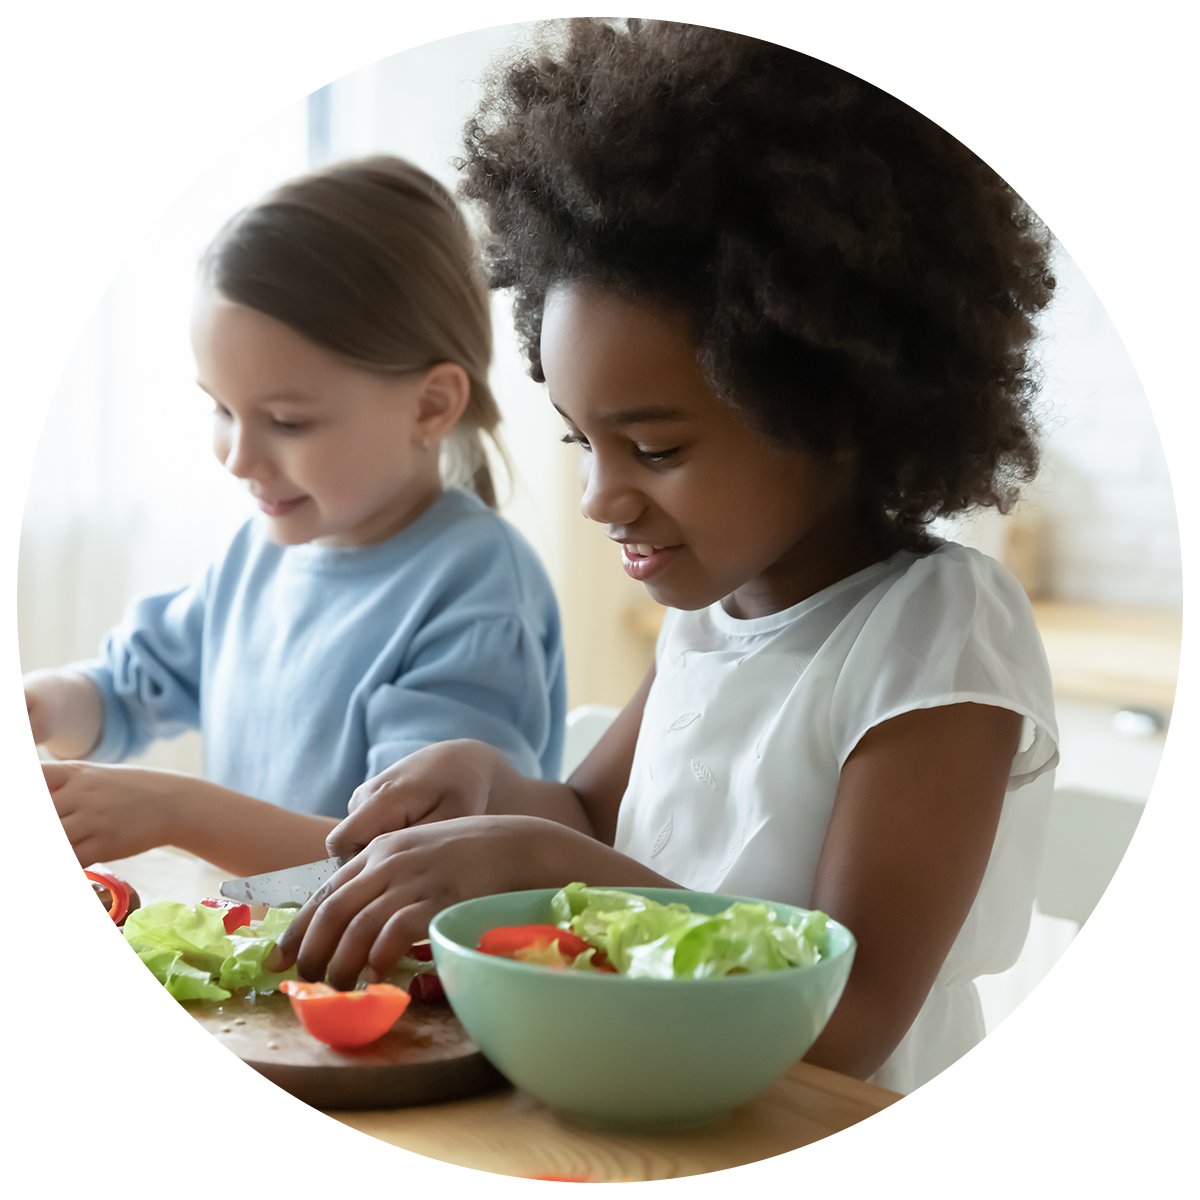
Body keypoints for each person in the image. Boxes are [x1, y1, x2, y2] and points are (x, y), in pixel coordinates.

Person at [273, 0, 1078, 1118]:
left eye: (653, 446)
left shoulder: (934, 633)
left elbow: (847, 1015)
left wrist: (541, 866)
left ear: (836, 407)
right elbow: (593, 822)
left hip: (842, 1156)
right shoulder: (716, 609)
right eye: (581, 439)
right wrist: (494, 790)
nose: (604, 495)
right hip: (657, 1123)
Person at [0, 156, 566, 880]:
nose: (239, 457)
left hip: (392, 987)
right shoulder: (257, 553)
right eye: (222, 408)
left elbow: (409, 865)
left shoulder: (474, 588)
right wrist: (44, 706)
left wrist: (173, 810)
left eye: (288, 422)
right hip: (259, 973)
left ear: (430, 406)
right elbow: (125, 687)